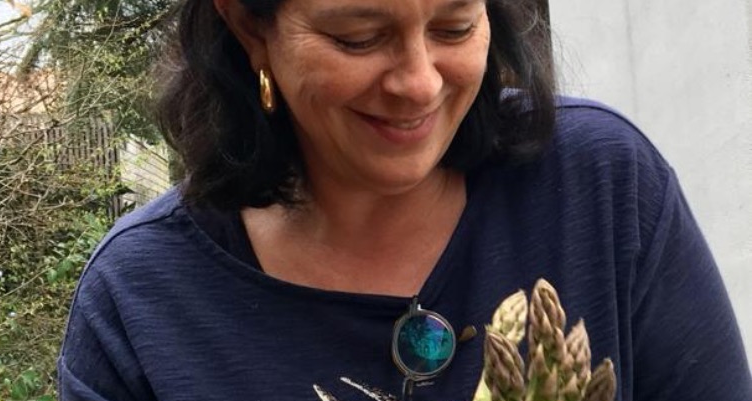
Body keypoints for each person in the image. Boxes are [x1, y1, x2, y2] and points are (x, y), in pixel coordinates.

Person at [57, 0, 752, 400]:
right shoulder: (138, 299)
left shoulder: (601, 184)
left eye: (454, 27)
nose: (419, 84)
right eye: (358, 38)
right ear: (249, 26)